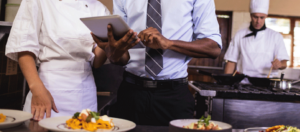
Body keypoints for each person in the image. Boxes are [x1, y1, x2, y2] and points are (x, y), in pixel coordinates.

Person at [91, 0, 222, 126]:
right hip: (131, 93)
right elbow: (120, 58)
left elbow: (213, 48)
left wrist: (169, 44)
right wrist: (112, 52)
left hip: (174, 96)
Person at [5, 0, 131, 121]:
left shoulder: (98, 8)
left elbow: (96, 61)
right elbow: (24, 47)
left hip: (85, 92)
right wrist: (36, 89)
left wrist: (110, 48)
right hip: (48, 88)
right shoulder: (38, 1)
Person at [224, 0, 289, 82]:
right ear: (251, 16)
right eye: (255, 17)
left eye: (261, 17)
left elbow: (284, 63)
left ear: (266, 16)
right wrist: (225, 82)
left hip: (267, 81)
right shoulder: (240, 35)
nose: (258, 21)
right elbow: (231, 61)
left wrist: (280, 64)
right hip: (244, 81)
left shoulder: (276, 36)